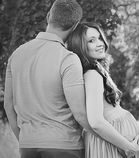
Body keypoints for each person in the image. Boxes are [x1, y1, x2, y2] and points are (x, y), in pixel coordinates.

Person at [4, 0, 91, 158]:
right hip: (65, 147)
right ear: (75, 25)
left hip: (28, 146)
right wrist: (106, 138)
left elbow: (8, 105)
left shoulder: (16, 55)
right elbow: (80, 114)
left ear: (48, 16)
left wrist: (24, 139)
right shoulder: (68, 58)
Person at [67, 22, 139, 158]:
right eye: (91, 41)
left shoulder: (95, 70)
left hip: (113, 144)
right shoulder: (92, 75)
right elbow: (95, 121)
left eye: (100, 38)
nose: (100, 43)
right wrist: (128, 147)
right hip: (111, 145)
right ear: (81, 47)